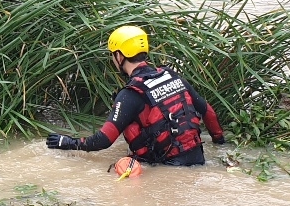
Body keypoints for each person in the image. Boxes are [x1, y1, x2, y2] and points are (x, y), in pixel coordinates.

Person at [44, 26, 224, 167]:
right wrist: (220, 143)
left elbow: (103, 140)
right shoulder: (172, 75)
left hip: (168, 167)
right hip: (199, 159)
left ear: (119, 56)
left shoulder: (130, 95)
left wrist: (68, 142)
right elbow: (208, 112)